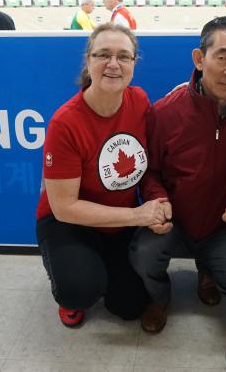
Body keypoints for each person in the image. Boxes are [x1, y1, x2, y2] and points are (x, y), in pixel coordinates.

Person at [130, 15, 226, 334]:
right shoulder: (165, 111)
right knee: (142, 254)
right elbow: (149, 172)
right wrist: (157, 199)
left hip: (225, 225)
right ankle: (159, 298)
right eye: (222, 57)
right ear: (199, 59)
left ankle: (209, 272)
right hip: (174, 223)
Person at [36, 23, 169, 328]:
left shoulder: (139, 102)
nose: (113, 64)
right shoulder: (65, 123)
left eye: (124, 56)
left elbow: (149, 166)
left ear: (134, 64)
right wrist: (138, 216)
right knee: (80, 289)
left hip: (117, 223)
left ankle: (97, 269)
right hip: (66, 223)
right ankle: (67, 285)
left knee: (130, 306)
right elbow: (65, 208)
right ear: (89, 61)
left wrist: (157, 203)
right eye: (103, 55)